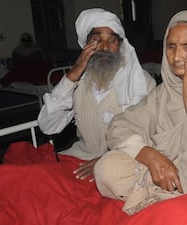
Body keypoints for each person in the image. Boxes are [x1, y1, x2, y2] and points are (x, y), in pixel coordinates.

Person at [93, 10, 187, 215]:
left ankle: (165, 198)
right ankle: (164, 194)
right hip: (166, 175)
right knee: (107, 168)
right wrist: (149, 156)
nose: (176, 57)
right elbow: (118, 125)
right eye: (171, 46)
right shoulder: (166, 90)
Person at [37, 8, 156, 182]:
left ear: (120, 47)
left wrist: (106, 161)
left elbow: (150, 136)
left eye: (112, 40)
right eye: (96, 40)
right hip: (79, 160)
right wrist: (71, 76)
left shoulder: (141, 83)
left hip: (123, 162)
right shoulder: (76, 84)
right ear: (85, 45)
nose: (105, 48)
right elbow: (48, 126)